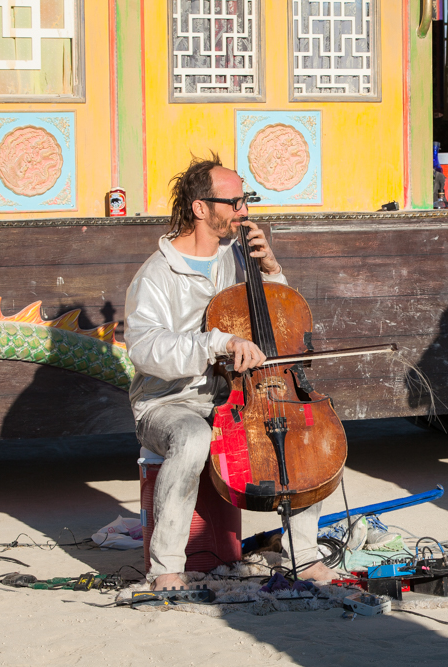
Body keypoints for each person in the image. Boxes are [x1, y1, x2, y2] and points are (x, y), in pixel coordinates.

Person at [125, 155, 336, 590]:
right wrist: (216, 342)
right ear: (201, 208)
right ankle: (166, 567)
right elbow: (145, 349)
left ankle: (305, 555)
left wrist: (272, 272)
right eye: (235, 202)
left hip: (241, 396)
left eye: (246, 199)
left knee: (302, 433)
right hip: (170, 401)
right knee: (193, 436)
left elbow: (282, 325)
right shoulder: (157, 275)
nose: (244, 211)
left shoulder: (236, 258)